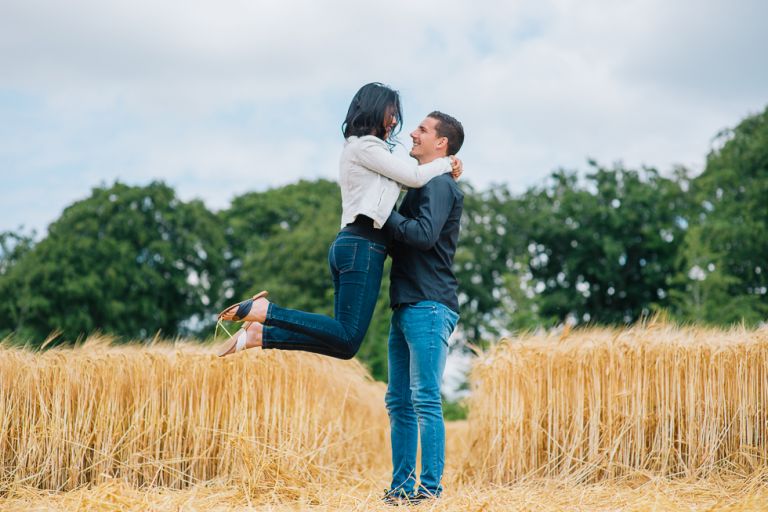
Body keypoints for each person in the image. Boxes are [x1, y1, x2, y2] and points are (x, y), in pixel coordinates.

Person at [215, 83, 461, 358]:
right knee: (346, 336)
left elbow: (405, 183)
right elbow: (414, 178)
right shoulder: (365, 146)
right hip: (362, 246)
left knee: (345, 343)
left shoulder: (366, 150)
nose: (394, 121)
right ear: (374, 110)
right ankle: (266, 312)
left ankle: (261, 334)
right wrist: (448, 163)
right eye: (391, 113)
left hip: (354, 246)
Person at [381, 112, 465, 505]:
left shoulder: (440, 185)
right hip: (407, 304)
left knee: (425, 399)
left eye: (422, 130)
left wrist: (383, 213)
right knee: (398, 401)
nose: (413, 133)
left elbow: (424, 234)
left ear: (441, 143)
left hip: (430, 305)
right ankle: (400, 490)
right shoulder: (425, 182)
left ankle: (429, 492)